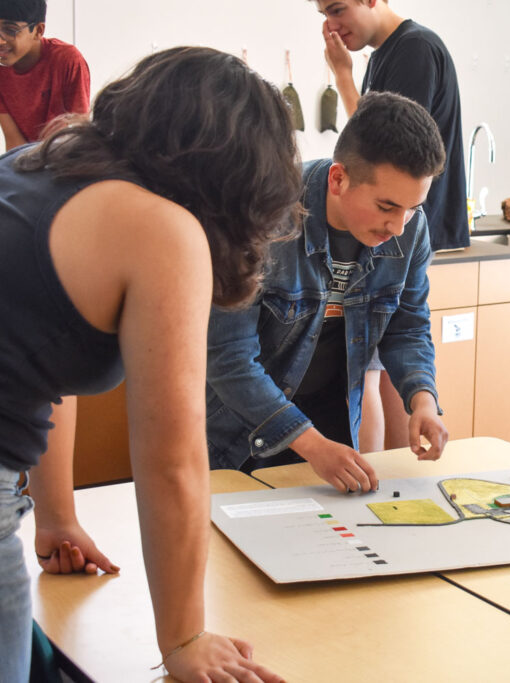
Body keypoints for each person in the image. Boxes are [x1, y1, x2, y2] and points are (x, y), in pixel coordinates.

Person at [0, 47, 300, 682]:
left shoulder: (37, 166)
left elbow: (40, 369)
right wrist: (185, 636)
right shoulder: (163, 230)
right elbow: (171, 458)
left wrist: (56, 519)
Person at [205, 91, 449, 493]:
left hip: (331, 435)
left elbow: (407, 327)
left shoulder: (410, 228)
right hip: (238, 438)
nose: (399, 227)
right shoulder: (261, 215)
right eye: (387, 206)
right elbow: (230, 360)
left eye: (412, 208)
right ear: (338, 179)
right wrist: (311, 444)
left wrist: (422, 397)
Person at [313, 0, 469, 453]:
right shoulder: (386, 53)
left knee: (369, 368)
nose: (331, 25)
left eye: (338, 8)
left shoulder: (414, 49)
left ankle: (383, 480)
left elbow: (387, 149)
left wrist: (342, 74)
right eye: (324, 13)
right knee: (368, 369)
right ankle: (380, 479)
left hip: (404, 239)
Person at [0, 0, 90, 151]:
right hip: (25, 160)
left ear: (38, 31)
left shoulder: (67, 59)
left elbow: (78, 128)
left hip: (65, 155)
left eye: (10, 30)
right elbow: (13, 141)